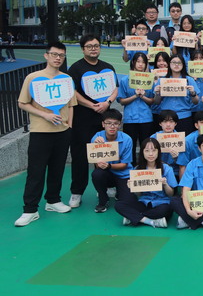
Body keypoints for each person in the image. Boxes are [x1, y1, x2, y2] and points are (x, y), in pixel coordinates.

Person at [15, 42, 77, 227]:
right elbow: (22, 103)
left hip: (62, 132)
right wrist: (45, 115)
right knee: (36, 171)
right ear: (46, 55)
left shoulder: (66, 79)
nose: (58, 58)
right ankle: (30, 209)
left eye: (61, 55)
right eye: (54, 54)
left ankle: (53, 200)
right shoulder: (33, 78)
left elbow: (71, 105)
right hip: (40, 132)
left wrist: (69, 126)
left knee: (57, 169)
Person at [67, 34, 119, 209]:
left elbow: (115, 88)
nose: (93, 49)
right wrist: (91, 105)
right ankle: (77, 192)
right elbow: (73, 92)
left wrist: (107, 103)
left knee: (106, 153)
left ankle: (106, 186)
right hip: (82, 120)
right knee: (80, 156)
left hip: (103, 118)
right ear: (83, 49)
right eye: (89, 46)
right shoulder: (75, 69)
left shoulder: (108, 67)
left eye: (96, 45)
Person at [115, 137, 177, 228]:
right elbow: (139, 195)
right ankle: (150, 221)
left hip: (162, 202)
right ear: (142, 152)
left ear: (158, 152)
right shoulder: (137, 169)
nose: (150, 154)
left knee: (166, 210)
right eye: (147, 151)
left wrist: (165, 184)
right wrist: (133, 187)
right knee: (119, 205)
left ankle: (134, 217)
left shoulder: (167, 168)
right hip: (144, 202)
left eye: (154, 150)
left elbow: (171, 194)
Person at [90, 109, 136, 213]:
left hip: (123, 174)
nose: (112, 126)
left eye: (115, 123)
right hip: (106, 173)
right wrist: (96, 146)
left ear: (120, 125)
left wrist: (109, 166)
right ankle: (103, 199)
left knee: (128, 200)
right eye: (108, 123)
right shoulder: (97, 138)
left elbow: (124, 165)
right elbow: (96, 165)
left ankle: (119, 192)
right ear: (103, 124)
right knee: (97, 174)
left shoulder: (127, 139)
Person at [118, 52, 156, 161]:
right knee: (130, 146)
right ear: (133, 62)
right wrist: (135, 96)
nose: (140, 64)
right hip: (130, 118)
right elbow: (121, 100)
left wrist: (142, 96)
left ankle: (145, 167)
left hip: (146, 117)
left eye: (143, 62)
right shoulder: (125, 80)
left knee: (146, 146)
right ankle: (131, 167)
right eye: (138, 61)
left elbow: (152, 100)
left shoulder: (149, 80)